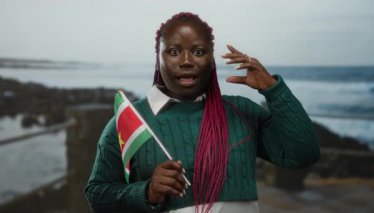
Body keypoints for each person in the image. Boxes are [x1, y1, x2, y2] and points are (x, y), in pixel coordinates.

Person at [84, 12, 320, 213]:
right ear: (158, 59)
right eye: (174, 52)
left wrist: (273, 90)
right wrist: (147, 192)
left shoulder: (242, 111)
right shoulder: (129, 120)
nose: (187, 61)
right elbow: (97, 195)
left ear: (211, 61)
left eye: (198, 52)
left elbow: (303, 154)